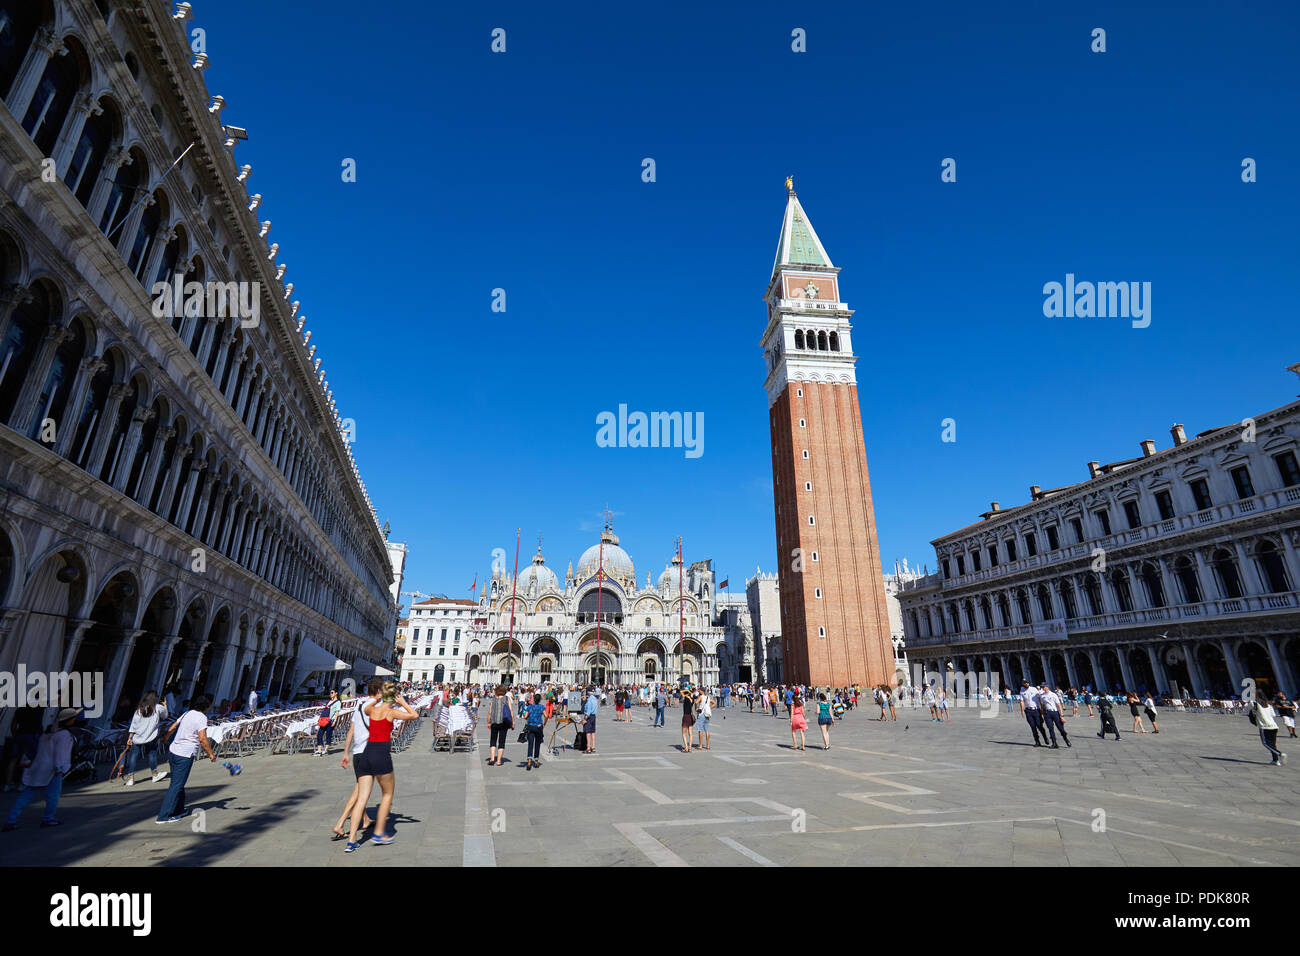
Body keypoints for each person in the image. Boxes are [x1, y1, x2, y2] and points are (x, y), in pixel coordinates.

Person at [347, 683, 418, 849]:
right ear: (393, 698)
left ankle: (352, 841)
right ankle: (378, 833)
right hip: (381, 754)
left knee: (362, 799)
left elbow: (366, 707)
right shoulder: (391, 712)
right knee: (387, 794)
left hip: (366, 754)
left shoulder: (372, 710)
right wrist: (403, 703)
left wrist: (377, 699)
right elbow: (414, 715)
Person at [2, 708, 77, 830]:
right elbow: (60, 754)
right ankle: (48, 818)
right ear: (69, 721)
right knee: (53, 795)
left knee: (27, 794)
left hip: (38, 767)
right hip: (53, 769)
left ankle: (11, 819)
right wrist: (61, 769)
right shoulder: (64, 735)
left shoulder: (48, 732)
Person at [334, 678, 382, 841]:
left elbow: (350, 732)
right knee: (361, 793)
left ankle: (366, 819)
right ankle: (340, 824)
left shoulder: (359, 707)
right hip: (371, 753)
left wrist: (346, 753)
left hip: (357, 754)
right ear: (379, 692)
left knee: (359, 788)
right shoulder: (377, 708)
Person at [157, 694, 217, 824]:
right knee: (176, 785)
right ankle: (164, 816)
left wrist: (166, 739)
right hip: (185, 754)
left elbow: (172, 727)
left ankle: (179, 809)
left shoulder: (188, 713)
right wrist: (211, 754)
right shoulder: (202, 717)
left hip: (173, 751)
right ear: (207, 705)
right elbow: (202, 738)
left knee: (178, 782)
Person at [123, 692, 166, 786]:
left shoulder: (139, 709)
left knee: (133, 756)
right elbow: (165, 716)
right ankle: (155, 775)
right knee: (151, 755)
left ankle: (131, 779)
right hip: (151, 737)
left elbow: (133, 724)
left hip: (137, 737)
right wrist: (165, 706)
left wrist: (130, 737)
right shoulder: (158, 707)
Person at [1252, 696, 1287, 766]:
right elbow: (1273, 715)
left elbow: (1246, 711)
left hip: (1265, 727)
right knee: (1273, 744)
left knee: (1265, 743)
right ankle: (1275, 760)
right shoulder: (1269, 705)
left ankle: (1280, 754)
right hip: (1274, 726)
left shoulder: (1254, 703)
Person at [487, 684, 513, 767]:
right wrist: (512, 722)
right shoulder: (506, 698)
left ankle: (492, 759)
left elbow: (490, 712)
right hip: (504, 722)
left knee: (493, 740)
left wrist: (488, 722)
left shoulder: (493, 699)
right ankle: (498, 761)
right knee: (502, 741)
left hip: (494, 722)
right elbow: (510, 710)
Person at [1038, 684, 1070, 748]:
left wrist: (1061, 715)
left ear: (1047, 687)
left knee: (1060, 728)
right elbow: (1043, 705)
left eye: (1043, 687)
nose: (1042, 688)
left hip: (1055, 712)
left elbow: (1059, 705)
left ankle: (1066, 739)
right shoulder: (1042, 696)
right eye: (1042, 687)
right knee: (1050, 728)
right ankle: (1054, 743)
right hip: (1047, 713)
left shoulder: (1053, 695)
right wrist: (1043, 714)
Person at [314, 688, 342, 757]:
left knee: (328, 735)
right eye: (330, 693)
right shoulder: (329, 701)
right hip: (324, 720)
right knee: (319, 734)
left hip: (331, 720)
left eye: (332, 693)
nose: (331, 694)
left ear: (336, 693)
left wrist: (335, 721)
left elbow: (337, 713)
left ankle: (325, 750)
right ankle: (319, 750)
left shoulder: (338, 702)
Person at [1018, 681, 1047, 746]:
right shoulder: (1022, 690)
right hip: (1028, 711)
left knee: (1039, 725)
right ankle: (1037, 741)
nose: (1026, 684)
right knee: (1033, 726)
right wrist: (1022, 710)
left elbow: (1039, 698)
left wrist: (1042, 708)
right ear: (1023, 684)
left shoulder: (1034, 689)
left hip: (1036, 710)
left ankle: (1045, 737)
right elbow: (1022, 701)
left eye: (1027, 683)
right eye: (1024, 683)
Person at [524, 692, 547, 771]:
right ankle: (536, 761)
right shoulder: (541, 707)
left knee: (530, 744)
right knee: (537, 744)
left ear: (533, 699)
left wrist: (526, 714)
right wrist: (544, 724)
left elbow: (525, 716)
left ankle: (529, 761)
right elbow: (546, 716)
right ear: (540, 700)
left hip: (530, 727)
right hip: (538, 727)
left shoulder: (530, 707)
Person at [583, 686, 599, 754]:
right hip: (594, 717)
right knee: (593, 732)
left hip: (589, 717)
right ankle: (593, 747)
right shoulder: (595, 699)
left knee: (588, 732)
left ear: (588, 692)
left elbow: (588, 711)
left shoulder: (589, 700)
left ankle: (588, 748)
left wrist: (584, 719)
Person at [680, 688, 696, 752]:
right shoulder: (692, 699)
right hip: (690, 717)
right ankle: (690, 748)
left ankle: (686, 747)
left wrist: (687, 691)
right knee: (691, 733)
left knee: (684, 733)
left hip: (686, 716)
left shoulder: (686, 698)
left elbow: (681, 692)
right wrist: (689, 692)